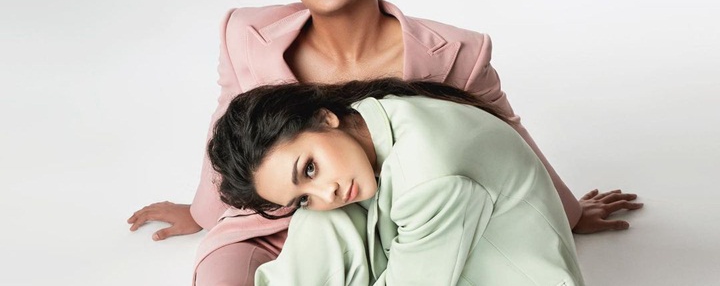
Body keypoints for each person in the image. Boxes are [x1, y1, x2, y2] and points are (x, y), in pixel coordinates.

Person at [126, 0, 641, 285]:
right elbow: (228, 124)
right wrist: (203, 212)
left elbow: (505, 134)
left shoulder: (454, 51)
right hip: (278, 219)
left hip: (385, 218)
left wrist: (569, 213)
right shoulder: (246, 33)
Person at [208, 77, 586, 285]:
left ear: (325, 118)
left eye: (309, 168)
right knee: (321, 219)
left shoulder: (430, 176)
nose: (327, 192)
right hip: (444, 254)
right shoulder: (368, 118)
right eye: (301, 196)